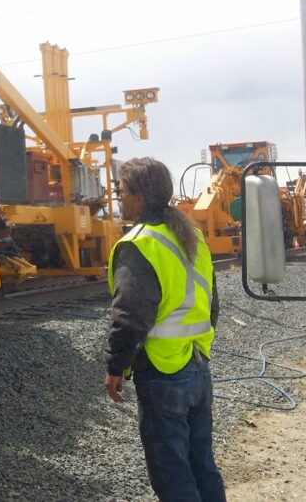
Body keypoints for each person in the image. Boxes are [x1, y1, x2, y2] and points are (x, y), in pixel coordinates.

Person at [105, 157, 226, 501]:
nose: (119, 198)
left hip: (162, 373)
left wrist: (115, 366)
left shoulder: (140, 243)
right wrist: (198, 348)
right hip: (197, 367)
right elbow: (212, 304)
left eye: (122, 190)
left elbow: (129, 318)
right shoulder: (192, 237)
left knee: (172, 474)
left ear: (140, 196)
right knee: (202, 464)